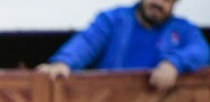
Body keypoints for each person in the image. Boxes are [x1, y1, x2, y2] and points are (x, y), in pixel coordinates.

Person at [38, 0, 210, 91]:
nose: (159, 3)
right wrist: (64, 63)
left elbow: (202, 51)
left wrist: (174, 63)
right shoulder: (114, 20)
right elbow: (87, 43)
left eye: (167, 0)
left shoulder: (183, 29)